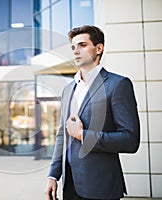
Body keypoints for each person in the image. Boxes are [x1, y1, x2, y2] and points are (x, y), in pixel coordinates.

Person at [44, 25, 140, 200]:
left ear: (99, 48)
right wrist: (53, 175)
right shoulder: (68, 90)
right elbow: (62, 135)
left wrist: (82, 134)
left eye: (82, 45)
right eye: (73, 47)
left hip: (100, 187)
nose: (76, 51)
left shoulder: (118, 85)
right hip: (70, 186)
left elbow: (130, 140)